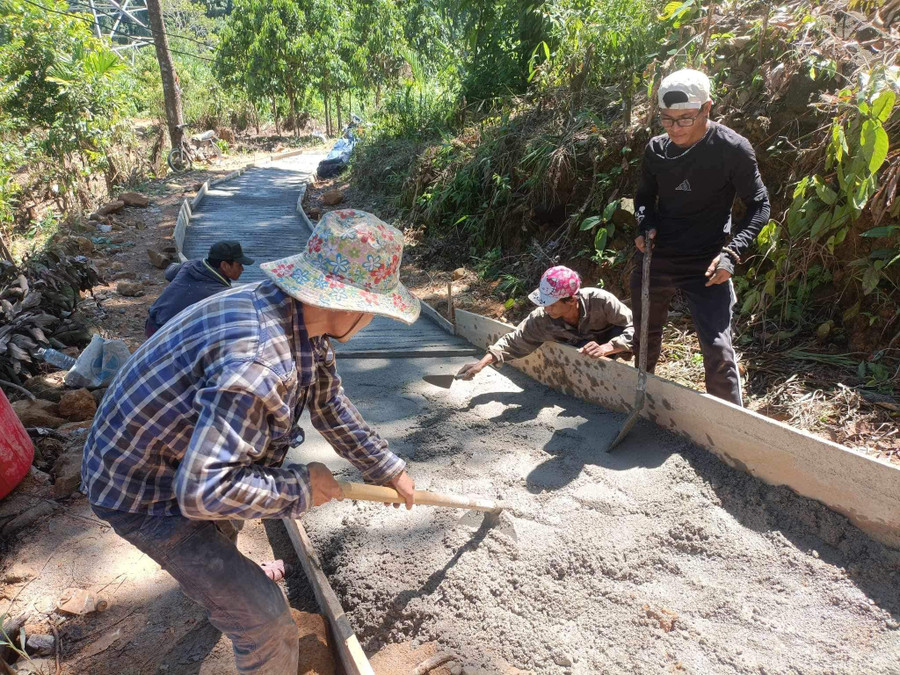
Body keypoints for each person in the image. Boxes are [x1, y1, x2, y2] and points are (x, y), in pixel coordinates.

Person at [82, 210, 420, 673]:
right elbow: (204, 491)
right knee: (266, 623)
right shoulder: (261, 361)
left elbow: (329, 403)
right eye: (375, 310)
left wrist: (387, 467)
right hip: (142, 492)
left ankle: (222, 587)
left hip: (180, 460)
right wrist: (302, 486)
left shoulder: (295, 316)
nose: (370, 322)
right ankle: (234, 602)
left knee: (227, 526)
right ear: (348, 305)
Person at [633, 69, 770, 406]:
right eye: (666, 119)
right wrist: (644, 225)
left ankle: (729, 428)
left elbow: (760, 204)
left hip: (708, 259)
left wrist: (733, 253)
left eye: (685, 119)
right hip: (660, 253)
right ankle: (638, 402)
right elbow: (643, 199)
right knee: (644, 338)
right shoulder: (656, 150)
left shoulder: (732, 149)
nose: (674, 128)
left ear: (707, 109)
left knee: (718, 348)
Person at [457, 265, 633, 380]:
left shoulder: (601, 301)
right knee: (581, 349)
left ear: (571, 300)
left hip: (613, 344)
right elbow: (514, 340)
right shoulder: (542, 318)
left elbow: (637, 328)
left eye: (551, 304)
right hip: (585, 351)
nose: (546, 308)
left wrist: (608, 347)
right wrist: (481, 363)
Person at [145, 240, 254, 337]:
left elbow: (169, 273)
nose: (242, 269)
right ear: (225, 265)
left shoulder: (191, 265)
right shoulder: (220, 293)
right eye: (239, 265)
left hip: (152, 321)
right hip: (166, 334)